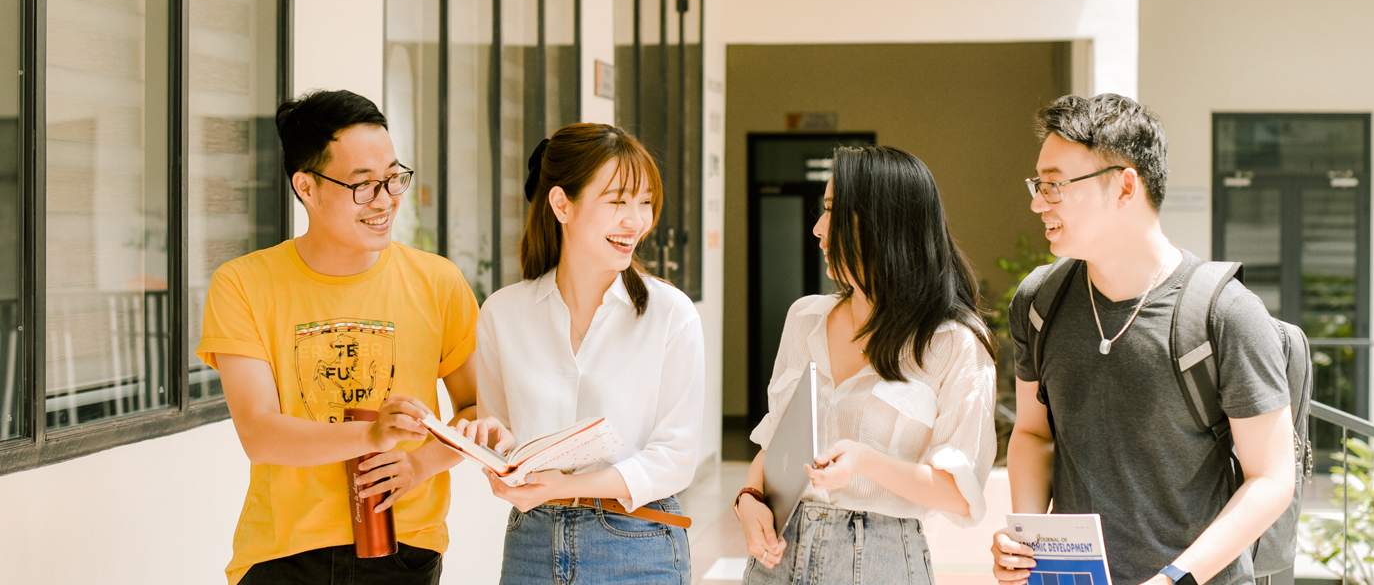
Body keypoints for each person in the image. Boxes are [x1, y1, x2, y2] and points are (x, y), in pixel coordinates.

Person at [992, 94, 1295, 585]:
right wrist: (1028, 541)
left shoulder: (1225, 314)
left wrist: (1174, 578)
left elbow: (1273, 478)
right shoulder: (1039, 302)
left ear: (1125, 186)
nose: (1036, 202)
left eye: (1053, 185)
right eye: (1038, 184)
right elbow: (1033, 432)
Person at [197, 89, 481, 585]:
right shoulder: (243, 283)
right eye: (363, 185)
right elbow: (259, 434)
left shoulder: (438, 282)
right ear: (306, 186)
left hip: (404, 548)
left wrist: (421, 465)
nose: (386, 200)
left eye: (394, 178)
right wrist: (371, 435)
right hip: (285, 556)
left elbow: (478, 413)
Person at [733, 146, 998, 585]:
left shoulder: (953, 344)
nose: (818, 228)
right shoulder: (805, 319)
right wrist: (748, 498)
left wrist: (863, 461)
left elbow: (960, 494)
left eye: (833, 212)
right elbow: (776, 443)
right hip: (778, 556)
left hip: (878, 559)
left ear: (883, 224)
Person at [457, 123, 705, 585]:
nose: (636, 221)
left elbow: (675, 457)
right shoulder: (503, 313)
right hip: (532, 541)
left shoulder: (670, 314)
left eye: (645, 202)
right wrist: (493, 446)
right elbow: (507, 437)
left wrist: (570, 485)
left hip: (637, 540)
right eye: (617, 202)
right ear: (561, 204)